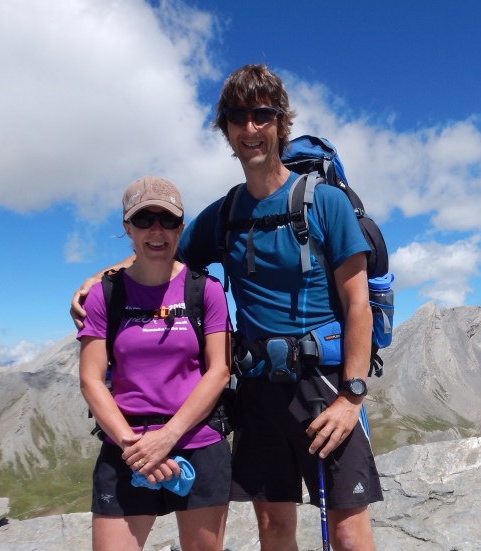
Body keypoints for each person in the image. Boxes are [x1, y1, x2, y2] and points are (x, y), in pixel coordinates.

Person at [73, 65, 381, 551]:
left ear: (281, 124)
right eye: (238, 117)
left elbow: (358, 305)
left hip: (323, 386)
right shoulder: (225, 214)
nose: (250, 127)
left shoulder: (326, 204)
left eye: (262, 115)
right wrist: (102, 278)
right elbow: (159, 253)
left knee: (347, 532)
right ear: (227, 131)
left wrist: (352, 397)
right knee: (273, 526)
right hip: (258, 390)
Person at [77, 176, 232, 551]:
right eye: (144, 220)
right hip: (126, 444)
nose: (156, 230)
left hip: (196, 442)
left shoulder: (206, 290)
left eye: (167, 220)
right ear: (128, 228)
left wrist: (167, 438)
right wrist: (135, 448)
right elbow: (90, 380)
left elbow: (220, 371)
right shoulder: (104, 295)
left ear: (181, 227)